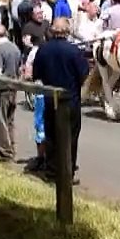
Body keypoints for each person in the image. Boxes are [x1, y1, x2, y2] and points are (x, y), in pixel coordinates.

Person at [30, 17, 89, 182]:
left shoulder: (43, 50)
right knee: (71, 138)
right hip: (70, 100)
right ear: (67, 31)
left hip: (50, 99)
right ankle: (67, 172)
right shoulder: (74, 51)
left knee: (51, 136)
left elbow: (37, 75)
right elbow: (83, 75)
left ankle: (51, 170)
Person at [0, 23, 23, 161]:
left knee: (0, 119)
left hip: (1, 88)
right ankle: (11, 145)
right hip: (13, 86)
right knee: (10, 119)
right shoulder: (15, 48)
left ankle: (5, 149)